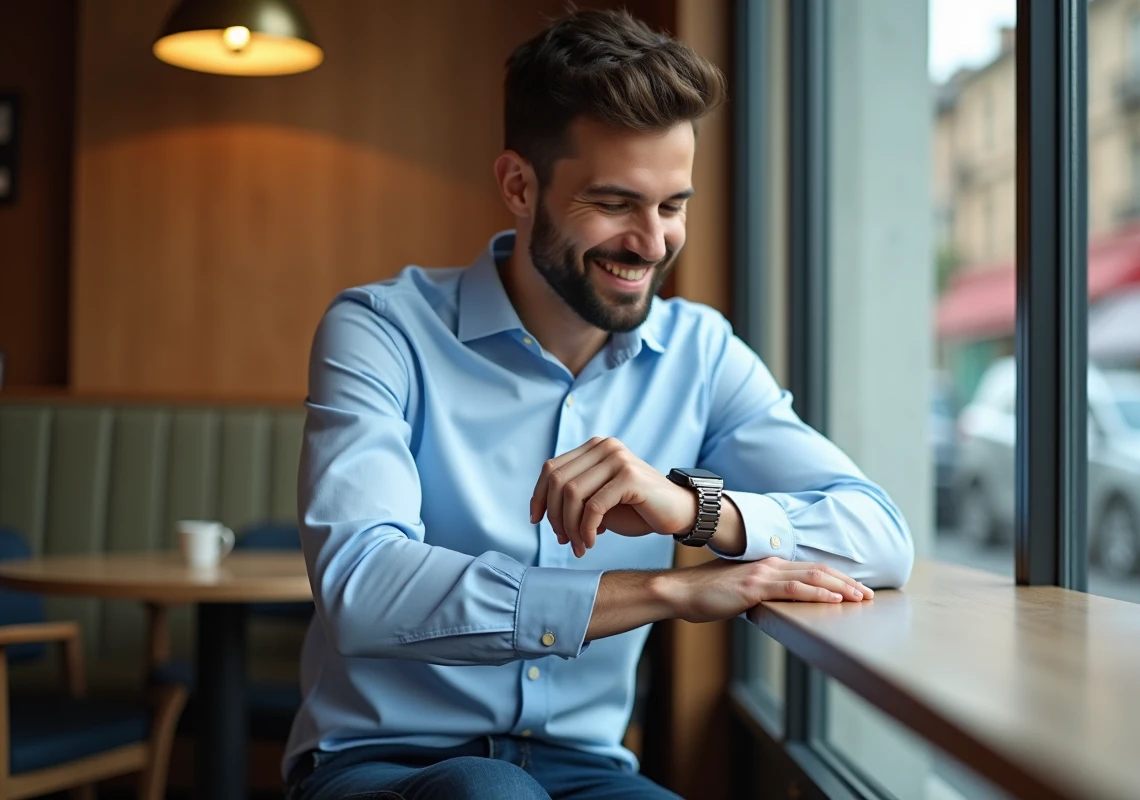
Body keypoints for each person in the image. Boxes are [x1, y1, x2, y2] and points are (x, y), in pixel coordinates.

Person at [284, 8, 914, 800]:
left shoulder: (702, 352)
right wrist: (667, 591)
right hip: (381, 765)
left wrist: (695, 513)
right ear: (520, 185)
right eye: (616, 203)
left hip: (587, 772)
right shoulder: (383, 330)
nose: (651, 244)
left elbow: (880, 535)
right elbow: (364, 589)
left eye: (672, 206)